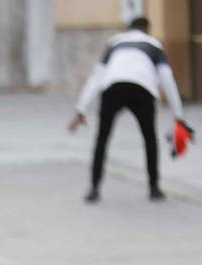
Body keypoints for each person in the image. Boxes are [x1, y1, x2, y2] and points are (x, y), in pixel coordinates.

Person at [68, 15, 185, 203]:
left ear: (128, 29)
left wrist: (81, 109)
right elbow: (167, 78)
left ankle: (94, 188)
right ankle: (154, 188)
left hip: (113, 88)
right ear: (147, 29)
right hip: (142, 89)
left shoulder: (114, 42)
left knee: (102, 138)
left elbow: (97, 76)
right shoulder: (153, 44)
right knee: (149, 138)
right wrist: (178, 115)